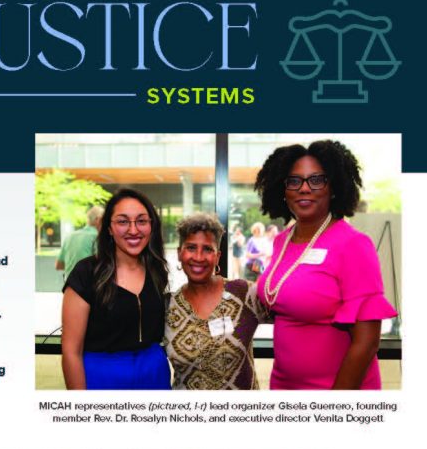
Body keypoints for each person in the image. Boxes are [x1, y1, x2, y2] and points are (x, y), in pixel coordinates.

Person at [255, 140, 396, 390]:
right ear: (283, 190)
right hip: (283, 387)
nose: (304, 189)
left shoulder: (353, 245)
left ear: (333, 188)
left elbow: (367, 343)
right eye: (294, 181)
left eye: (316, 180)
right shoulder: (281, 242)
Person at [61, 188, 170, 390]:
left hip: (153, 374)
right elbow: (70, 351)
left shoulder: (157, 270)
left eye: (141, 221)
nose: (133, 230)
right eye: (122, 221)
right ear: (109, 228)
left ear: (151, 226)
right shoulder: (86, 272)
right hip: (101, 377)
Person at [165, 213, 267, 390]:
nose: (198, 257)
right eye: (191, 247)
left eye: (207, 249)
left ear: (218, 256)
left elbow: (292, 315)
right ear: (179, 253)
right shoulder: (167, 305)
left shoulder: (244, 293)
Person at [55, 205, 104, 279]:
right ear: (98, 219)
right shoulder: (99, 238)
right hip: (89, 287)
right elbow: (103, 266)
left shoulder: (70, 236)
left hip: (69, 286)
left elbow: (59, 265)